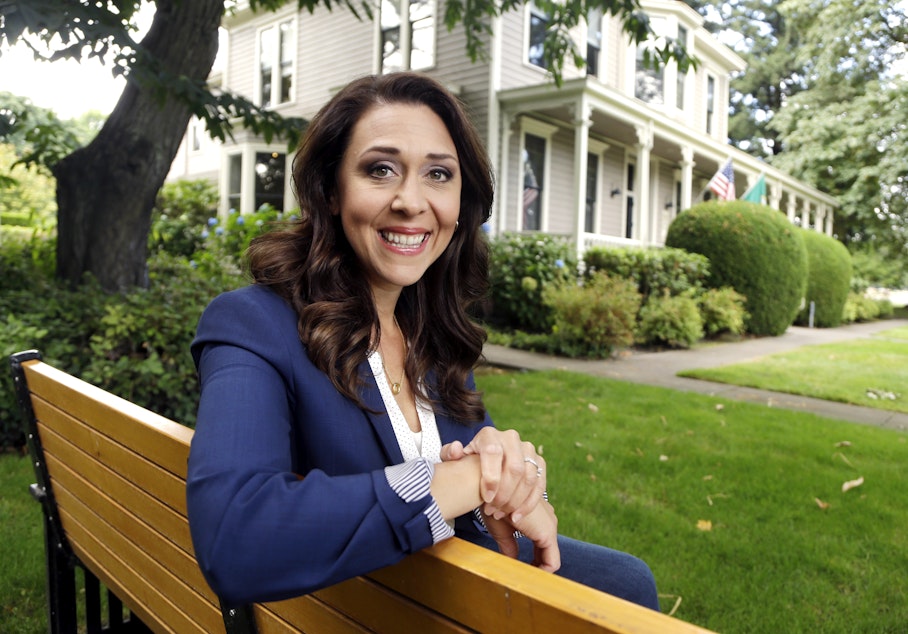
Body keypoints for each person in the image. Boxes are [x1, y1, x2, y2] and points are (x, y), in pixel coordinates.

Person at [186, 71, 659, 611]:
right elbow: (236, 539)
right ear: (331, 190)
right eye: (380, 170)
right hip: (371, 614)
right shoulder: (253, 324)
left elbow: (479, 484)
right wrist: (461, 481)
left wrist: (511, 478)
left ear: (462, 204)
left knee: (626, 584)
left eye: (438, 174)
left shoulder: (433, 334)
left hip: (426, 596)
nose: (412, 201)